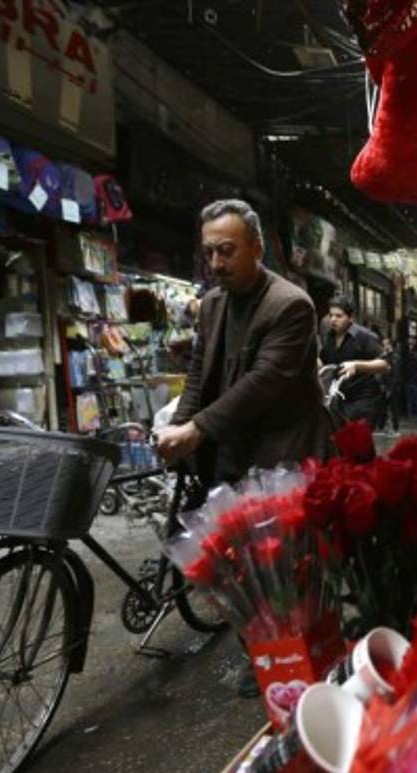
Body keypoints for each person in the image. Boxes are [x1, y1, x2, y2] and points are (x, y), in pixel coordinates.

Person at [156, 199, 333, 698]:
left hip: (283, 450)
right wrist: (182, 423)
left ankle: (297, 659)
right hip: (231, 447)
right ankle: (263, 648)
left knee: (285, 562)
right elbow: (200, 375)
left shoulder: (291, 304)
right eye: (209, 253)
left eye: (227, 251)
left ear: (257, 247)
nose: (216, 264)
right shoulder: (212, 304)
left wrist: (198, 429)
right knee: (241, 561)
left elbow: (264, 382)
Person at [320, 295, 389, 428]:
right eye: (331, 315)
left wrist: (357, 365)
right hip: (340, 401)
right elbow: (324, 363)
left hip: (364, 400)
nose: (333, 320)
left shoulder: (364, 336)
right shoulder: (329, 337)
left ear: (350, 318)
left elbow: (385, 364)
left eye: (339, 316)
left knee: (357, 443)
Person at [381, 337, 402, 434]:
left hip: (393, 387)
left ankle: (395, 428)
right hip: (386, 386)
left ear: (390, 345)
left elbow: (395, 375)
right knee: (384, 407)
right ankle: (384, 427)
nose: (384, 346)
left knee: (394, 408)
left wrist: (390, 388)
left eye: (385, 344)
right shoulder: (387, 356)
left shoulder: (394, 357)